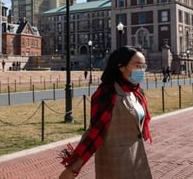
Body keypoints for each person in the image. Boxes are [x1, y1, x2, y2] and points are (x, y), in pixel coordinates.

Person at [59, 45, 152, 179]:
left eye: (144, 66)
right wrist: (72, 168)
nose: (141, 70)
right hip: (116, 164)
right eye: (137, 65)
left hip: (138, 159)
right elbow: (95, 132)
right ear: (121, 66)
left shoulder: (136, 92)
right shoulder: (107, 94)